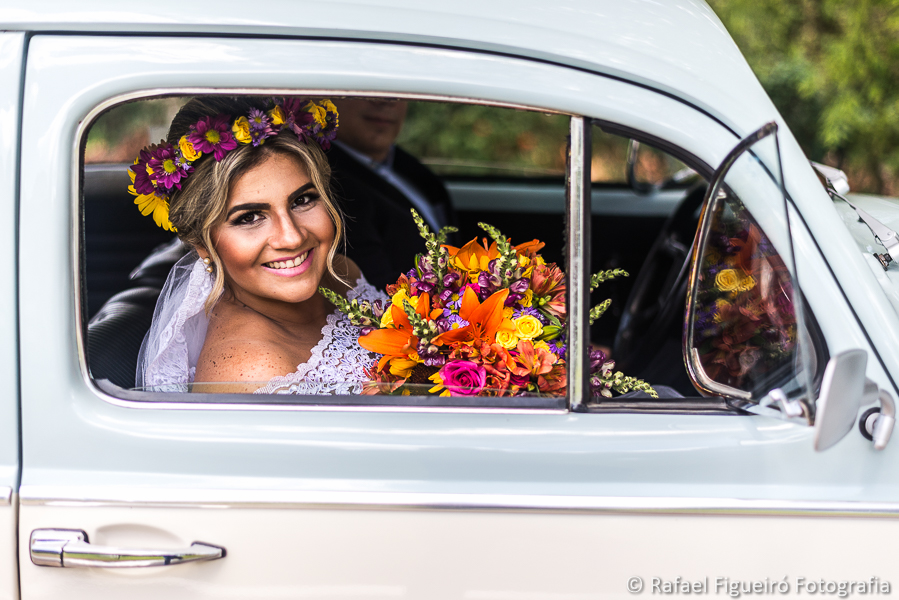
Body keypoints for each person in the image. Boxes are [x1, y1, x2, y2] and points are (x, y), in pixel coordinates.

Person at [134, 96, 387, 394]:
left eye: (302, 200)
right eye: (250, 217)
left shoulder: (344, 274)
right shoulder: (251, 371)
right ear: (202, 245)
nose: (292, 237)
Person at [327, 98, 456, 289]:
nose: (385, 100)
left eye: (395, 90)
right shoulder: (327, 183)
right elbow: (376, 288)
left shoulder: (407, 167)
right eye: (365, 87)